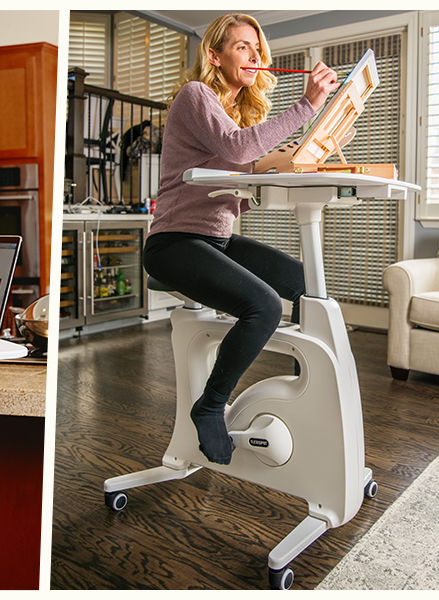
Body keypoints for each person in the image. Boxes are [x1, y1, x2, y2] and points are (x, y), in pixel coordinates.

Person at [144, 14, 340, 465]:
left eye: (257, 49)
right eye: (242, 48)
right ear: (215, 56)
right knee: (266, 305)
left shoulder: (232, 116)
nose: (254, 57)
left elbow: (235, 183)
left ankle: (303, 393)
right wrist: (306, 106)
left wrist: (277, 166)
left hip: (215, 240)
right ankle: (210, 405)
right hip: (174, 243)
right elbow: (237, 150)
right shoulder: (197, 96)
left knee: (307, 283)